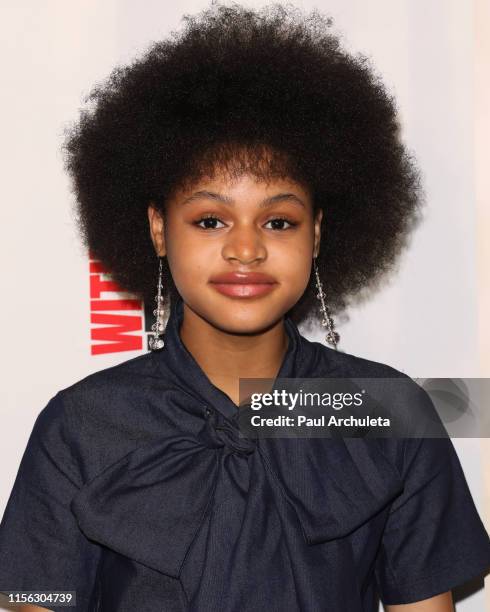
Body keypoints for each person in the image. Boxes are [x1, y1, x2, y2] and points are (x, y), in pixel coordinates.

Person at [1, 3, 489, 611]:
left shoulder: (389, 413)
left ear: (315, 234)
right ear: (158, 229)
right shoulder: (81, 427)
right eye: (210, 219)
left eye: (278, 221)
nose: (245, 248)